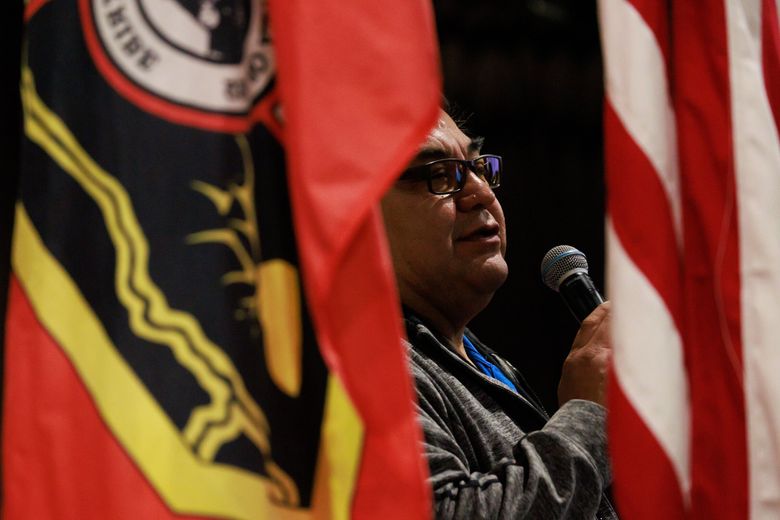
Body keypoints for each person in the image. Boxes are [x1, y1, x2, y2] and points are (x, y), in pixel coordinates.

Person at [380, 108, 618, 519]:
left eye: (477, 168)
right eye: (440, 173)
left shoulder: (481, 359)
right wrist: (587, 416)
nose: (481, 194)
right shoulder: (365, 370)